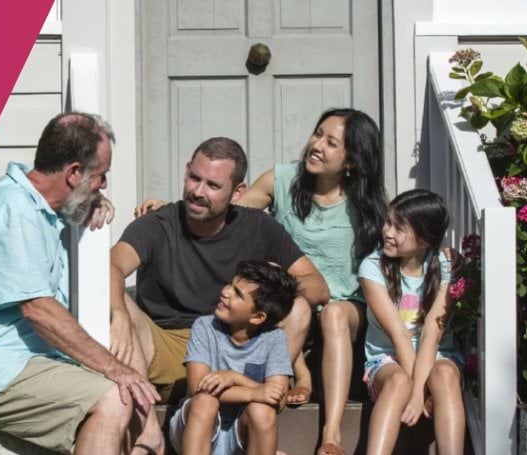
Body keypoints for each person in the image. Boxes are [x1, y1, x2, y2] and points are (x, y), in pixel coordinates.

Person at [135, 109, 386, 455]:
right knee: (284, 296)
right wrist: (176, 210)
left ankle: (330, 433)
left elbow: (395, 251)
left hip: (341, 308)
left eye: (331, 143)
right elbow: (226, 207)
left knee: (331, 313)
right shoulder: (281, 180)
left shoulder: (367, 205)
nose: (316, 145)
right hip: (287, 308)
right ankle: (278, 383)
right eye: (317, 134)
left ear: (352, 161)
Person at [0, 112, 161, 455]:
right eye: (100, 176)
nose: (104, 185)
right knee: (113, 398)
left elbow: (71, 207)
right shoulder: (15, 211)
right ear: (74, 173)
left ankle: (151, 435)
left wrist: (93, 199)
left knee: (128, 320)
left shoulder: (40, 203)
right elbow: (37, 309)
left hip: (25, 362)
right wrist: (113, 367)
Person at [106, 137, 330, 415]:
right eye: (194, 178)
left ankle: (263, 402)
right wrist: (118, 313)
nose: (199, 191)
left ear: (238, 192)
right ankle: (141, 419)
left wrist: (261, 288)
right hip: (168, 347)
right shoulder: (156, 224)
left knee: (296, 306)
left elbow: (318, 287)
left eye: (213, 185)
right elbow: (111, 265)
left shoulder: (259, 226)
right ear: (187, 171)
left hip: (237, 349)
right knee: (119, 301)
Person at [356, 190, 465, 455]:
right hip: (389, 359)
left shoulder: (446, 265)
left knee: (445, 374)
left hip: (436, 356)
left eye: (398, 227)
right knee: (398, 382)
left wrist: (423, 391)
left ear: (426, 239)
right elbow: (399, 335)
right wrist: (416, 393)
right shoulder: (372, 267)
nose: (387, 232)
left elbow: (431, 334)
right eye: (388, 222)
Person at [169, 261, 299, 455]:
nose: (226, 292)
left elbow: (277, 399)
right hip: (198, 428)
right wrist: (254, 391)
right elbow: (198, 387)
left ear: (257, 317)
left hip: (240, 432)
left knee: (263, 411)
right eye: (230, 284)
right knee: (206, 401)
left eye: (238, 293)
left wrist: (235, 378)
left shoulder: (274, 338)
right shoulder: (205, 327)